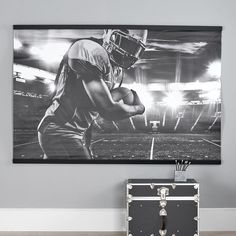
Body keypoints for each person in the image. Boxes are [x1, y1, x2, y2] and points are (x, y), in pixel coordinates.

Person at [37, 29, 147, 160]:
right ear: (108, 35)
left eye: (134, 49)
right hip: (59, 130)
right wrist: (139, 108)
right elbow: (108, 110)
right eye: (125, 44)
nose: (129, 52)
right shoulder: (90, 50)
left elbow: (89, 110)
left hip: (69, 132)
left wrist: (87, 143)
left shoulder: (112, 68)